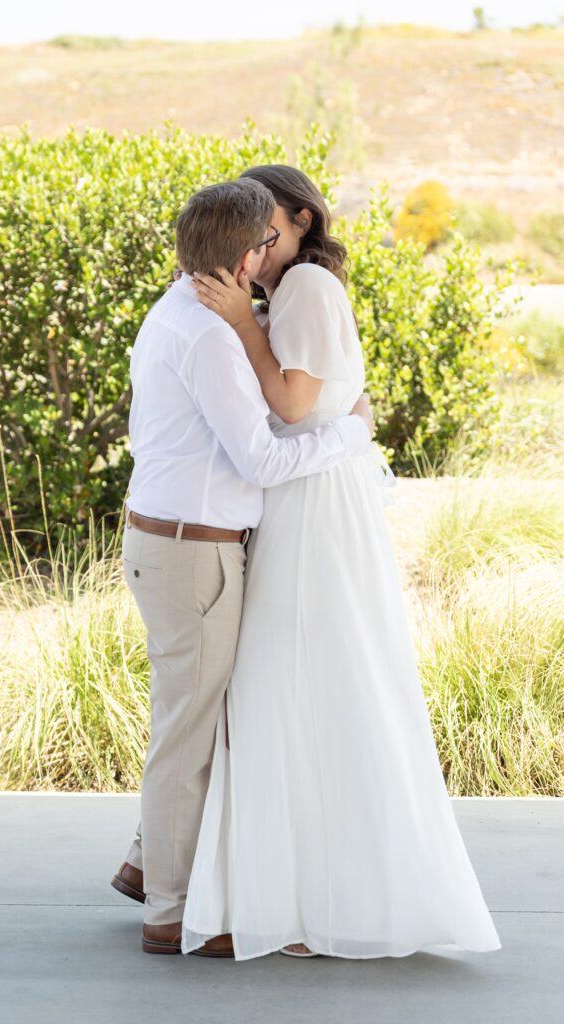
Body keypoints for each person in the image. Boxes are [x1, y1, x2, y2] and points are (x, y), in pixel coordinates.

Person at [180, 165, 503, 961]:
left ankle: (311, 898)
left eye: (270, 229)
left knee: (306, 678)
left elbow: (291, 404)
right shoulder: (287, 293)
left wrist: (242, 326)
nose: (258, 244)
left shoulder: (310, 290)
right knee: (295, 680)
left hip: (316, 503)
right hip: (305, 493)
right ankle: (296, 890)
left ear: (300, 218)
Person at [110, 177, 376, 956]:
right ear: (247, 251)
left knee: (198, 718)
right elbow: (260, 455)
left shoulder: (183, 313)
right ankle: (170, 909)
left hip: (179, 542)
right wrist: (354, 435)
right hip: (194, 551)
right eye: (263, 243)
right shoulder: (205, 335)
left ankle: (145, 864)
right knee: (189, 730)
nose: (272, 256)